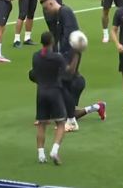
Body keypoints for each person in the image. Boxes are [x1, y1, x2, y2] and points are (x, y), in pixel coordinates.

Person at [41, 0, 91, 132]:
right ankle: (67, 116)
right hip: (67, 56)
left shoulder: (65, 13)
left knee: (63, 85)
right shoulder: (61, 14)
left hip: (70, 56)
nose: (46, 11)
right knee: (65, 85)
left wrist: (64, 57)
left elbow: (71, 37)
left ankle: (71, 120)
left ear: (51, 4)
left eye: (46, 8)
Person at [30, 32, 75, 165]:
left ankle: (41, 155)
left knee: (41, 124)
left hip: (41, 92)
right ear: (52, 42)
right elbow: (70, 70)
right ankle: (54, 150)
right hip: (54, 92)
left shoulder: (36, 56)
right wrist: (76, 55)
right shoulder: (57, 57)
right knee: (61, 123)